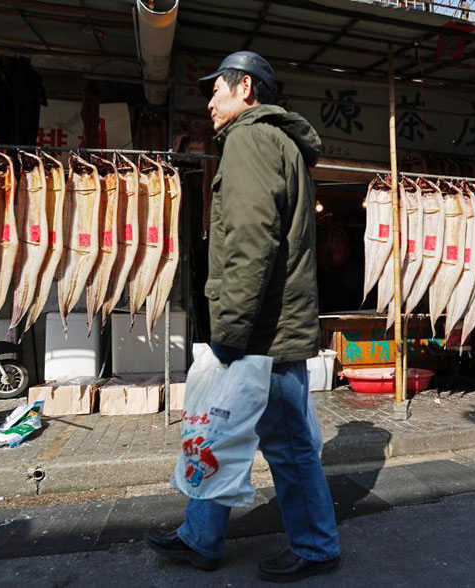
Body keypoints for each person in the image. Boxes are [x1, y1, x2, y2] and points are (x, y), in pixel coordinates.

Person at [146, 51, 341, 582]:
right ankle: (200, 537)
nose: (209, 101)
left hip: (262, 333)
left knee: (286, 443)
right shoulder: (278, 144)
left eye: (217, 90)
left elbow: (252, 243)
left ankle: (317, 546)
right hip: (266, 326)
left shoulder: (252, 140)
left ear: (247, 89)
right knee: (218, 430)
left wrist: (229, 331)